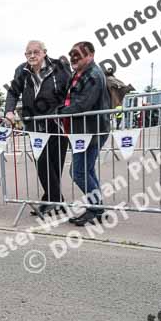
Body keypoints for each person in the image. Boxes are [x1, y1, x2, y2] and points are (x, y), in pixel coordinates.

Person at [4, 40, 71, 216]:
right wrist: (9, 112)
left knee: (55, 164)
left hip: (57, 122)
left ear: (44, 52)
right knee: (42, 162)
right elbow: (13, 92)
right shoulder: (22, 70)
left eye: (36, 52)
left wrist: (65, 110)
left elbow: (70, 89)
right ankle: (56, 201)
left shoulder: (59, 66)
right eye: (28, 53)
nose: (32, 56)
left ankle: (50, 200)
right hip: (34, 124)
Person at [58, 41, 112, 226]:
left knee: (78, 172)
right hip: (87, 130)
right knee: (86, 170)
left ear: (90, 55)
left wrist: (56, 113)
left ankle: (95, 209)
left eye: (78, 55)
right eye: (71, 54)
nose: (73, 58)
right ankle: (96, 209)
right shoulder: (81, 73)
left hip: (90, 131)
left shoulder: (93, 75)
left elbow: (82, 104)